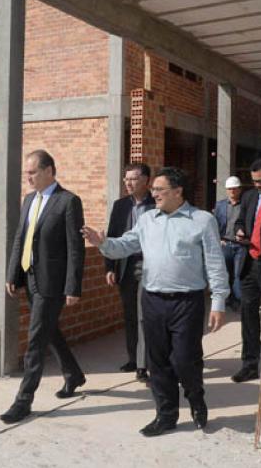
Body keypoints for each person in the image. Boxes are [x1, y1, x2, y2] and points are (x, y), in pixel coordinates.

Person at [81, 167, 228, 437]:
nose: (154, 193)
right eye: (154, 190)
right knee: (157, 362)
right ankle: (166, 415)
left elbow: (216, 264)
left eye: (159, 189)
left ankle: (196, 398)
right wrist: (104, 244)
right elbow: (126, 245)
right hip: (152, 299)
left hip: (187, 302)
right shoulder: (148, 220)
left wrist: (218, 302)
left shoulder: (202, 220)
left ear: (177, 191)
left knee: (185, 359)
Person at [0, 150, 86, 424]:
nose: (28, 177)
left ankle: (23, 401)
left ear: (49, 171)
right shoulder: (29, 200)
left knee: (35, 340)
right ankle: (73, 374)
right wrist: (13, 272)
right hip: (30, 278)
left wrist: (73, 286)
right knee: (48, 331)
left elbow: (75, 248)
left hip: (53, 282)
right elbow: (20, 238)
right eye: (27, 172)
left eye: (33, 172)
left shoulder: (68, 201)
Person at [105, 162, 153, 381]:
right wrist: (109, 267)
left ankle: (145, 364)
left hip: (150, 266)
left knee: (145, 316)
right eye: (126, 179)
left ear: (146, 180)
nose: (128, 183)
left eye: (133, 179)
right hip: (125, 266)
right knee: (131, 315)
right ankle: (133, 359)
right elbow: (112, 236)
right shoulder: (120, 205)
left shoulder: (157, 204)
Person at [232, 158, 261, 383]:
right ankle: (250, 363)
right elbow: (240, 222)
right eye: (254, 181)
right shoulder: (249, 197)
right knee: (249, 313)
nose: (258, 186)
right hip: (250, 262)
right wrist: (240, 231)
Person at [214, 176, 246, 310]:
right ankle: (229, 299)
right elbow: (215, 223)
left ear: (239, 189)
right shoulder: (220, 205)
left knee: (238, 274)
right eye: (229, 189)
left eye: (234, 189)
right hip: (225, 244)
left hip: (240, 245)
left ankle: (238, 301)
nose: (232, 191)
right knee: (227, 274)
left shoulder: (245, 204)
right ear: (226, 190)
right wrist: (219, 239)